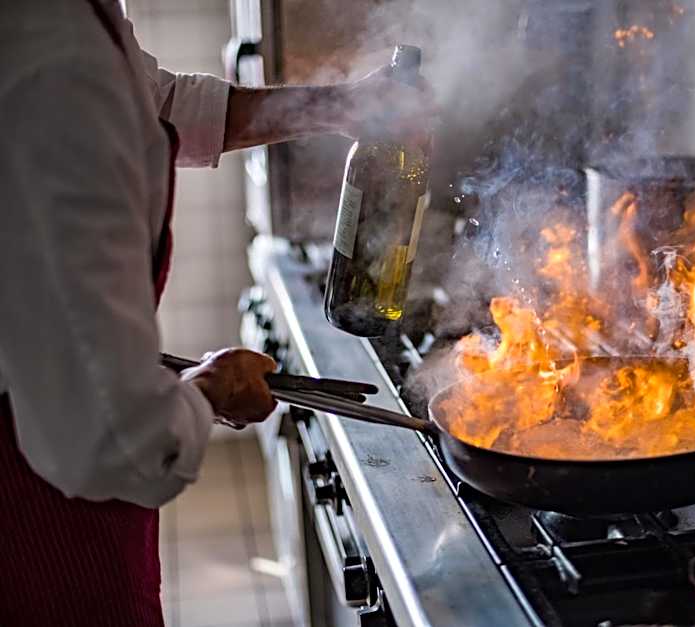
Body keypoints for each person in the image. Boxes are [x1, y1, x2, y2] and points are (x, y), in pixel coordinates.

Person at [0, 0, 430, 625]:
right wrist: (211, 387)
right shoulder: (48, 50)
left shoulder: (64, 29)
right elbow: (110, 443)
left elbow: (154, 101)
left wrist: (343, 107)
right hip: (32, 496)